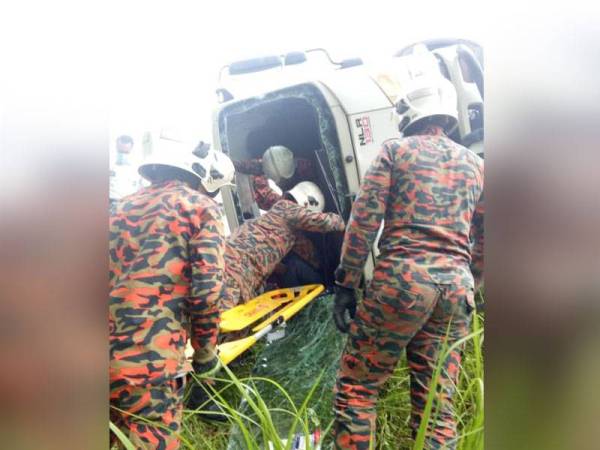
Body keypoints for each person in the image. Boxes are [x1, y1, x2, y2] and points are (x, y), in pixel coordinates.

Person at [331, 76, 484, 449]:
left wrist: (346, 283)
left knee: (357, 387)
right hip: (455, 291)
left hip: (401, 281)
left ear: (407, 113)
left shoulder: (395, 152)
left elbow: (363, 221)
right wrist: (472, 284)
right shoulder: (477, 165)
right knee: (436, 404)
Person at [109, 140, 235, 449]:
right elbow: (206, 294)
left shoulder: (117, 207)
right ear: (204, 177)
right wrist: (205, 357)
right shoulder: (201, 209)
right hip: (150, 367)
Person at [220, 181, 346, 310]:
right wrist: (347, 219)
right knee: (218, 321)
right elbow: (326, 222)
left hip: (223, 262)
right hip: (235, 272)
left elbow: (267, 257)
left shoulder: (275, 220)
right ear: (306, 203)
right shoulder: (287, 208)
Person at [109, 134, 143, 210]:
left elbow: (143, 187)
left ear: (131, 148)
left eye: (126, 152)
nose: (123, 154)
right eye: (120, 151)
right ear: (116, 147)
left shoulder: (139, 166)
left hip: (127, 204)